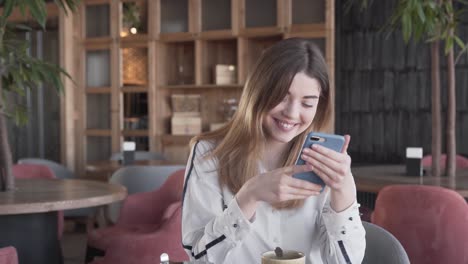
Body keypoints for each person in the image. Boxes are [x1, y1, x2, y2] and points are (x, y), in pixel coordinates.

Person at [181, 38, 366, 264]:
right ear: (258, 92)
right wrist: (249, 197)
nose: (292, 113)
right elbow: (198, 258)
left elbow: (347, 262)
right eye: (281, 97)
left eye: (307, 104)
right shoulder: (209, 154)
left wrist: (343, 189)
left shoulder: (326, 160)